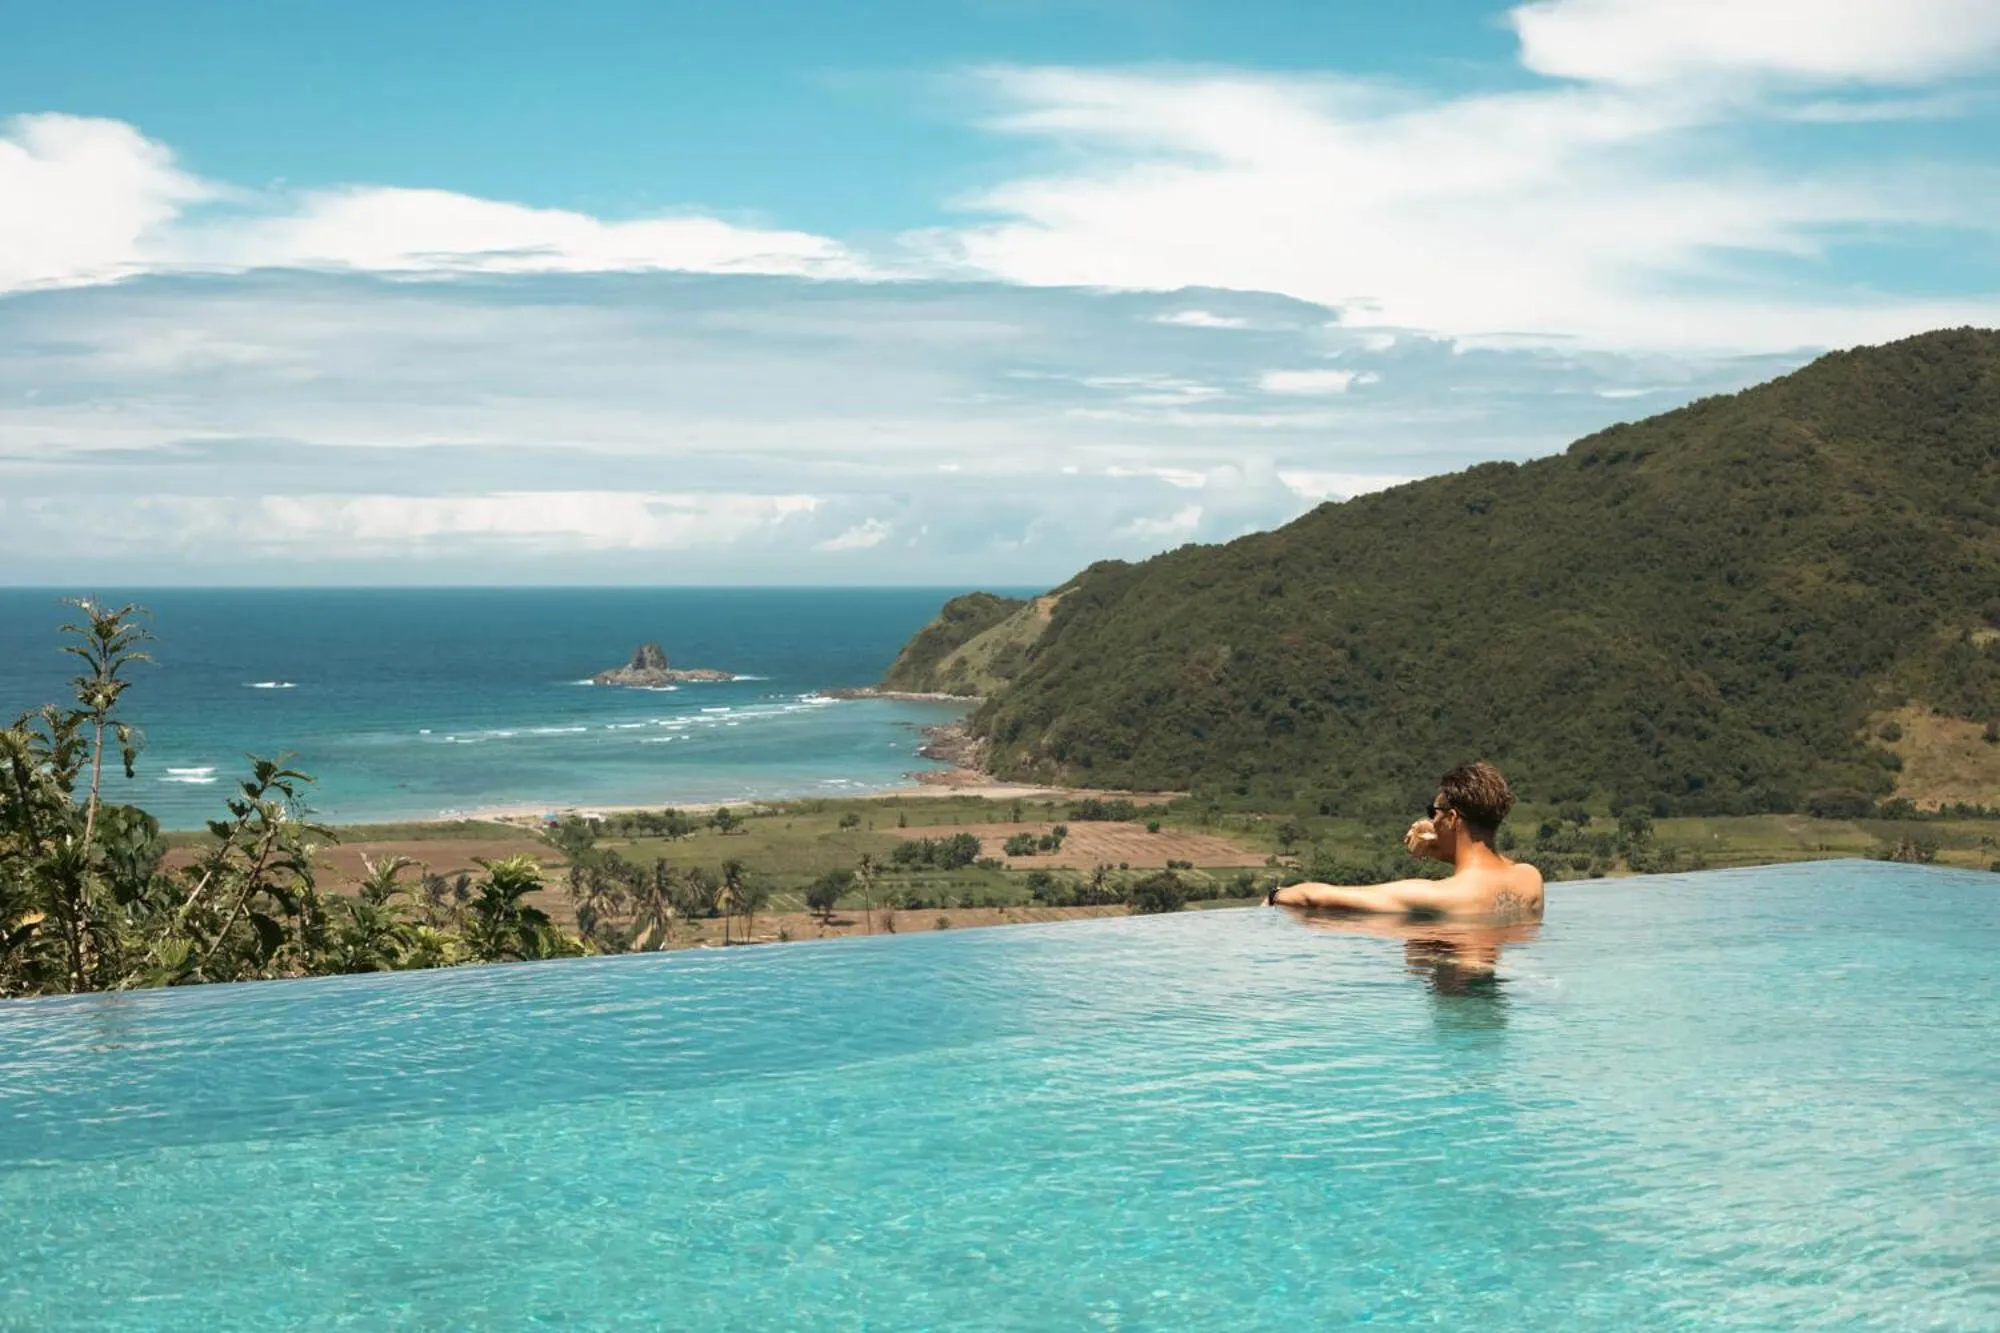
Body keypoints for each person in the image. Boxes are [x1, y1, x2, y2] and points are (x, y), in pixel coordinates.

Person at [1266, 761, 1543, 922]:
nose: (1431, 820)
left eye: (1433, 812)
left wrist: (1274, 896)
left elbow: (1318, 899)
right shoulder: (1530, 878)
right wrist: (1442, 849)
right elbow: (1485, 869)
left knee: (1416, 951)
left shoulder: (1435, 896)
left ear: (1452, 819)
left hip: (1458, 1002)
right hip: (1493, 993)